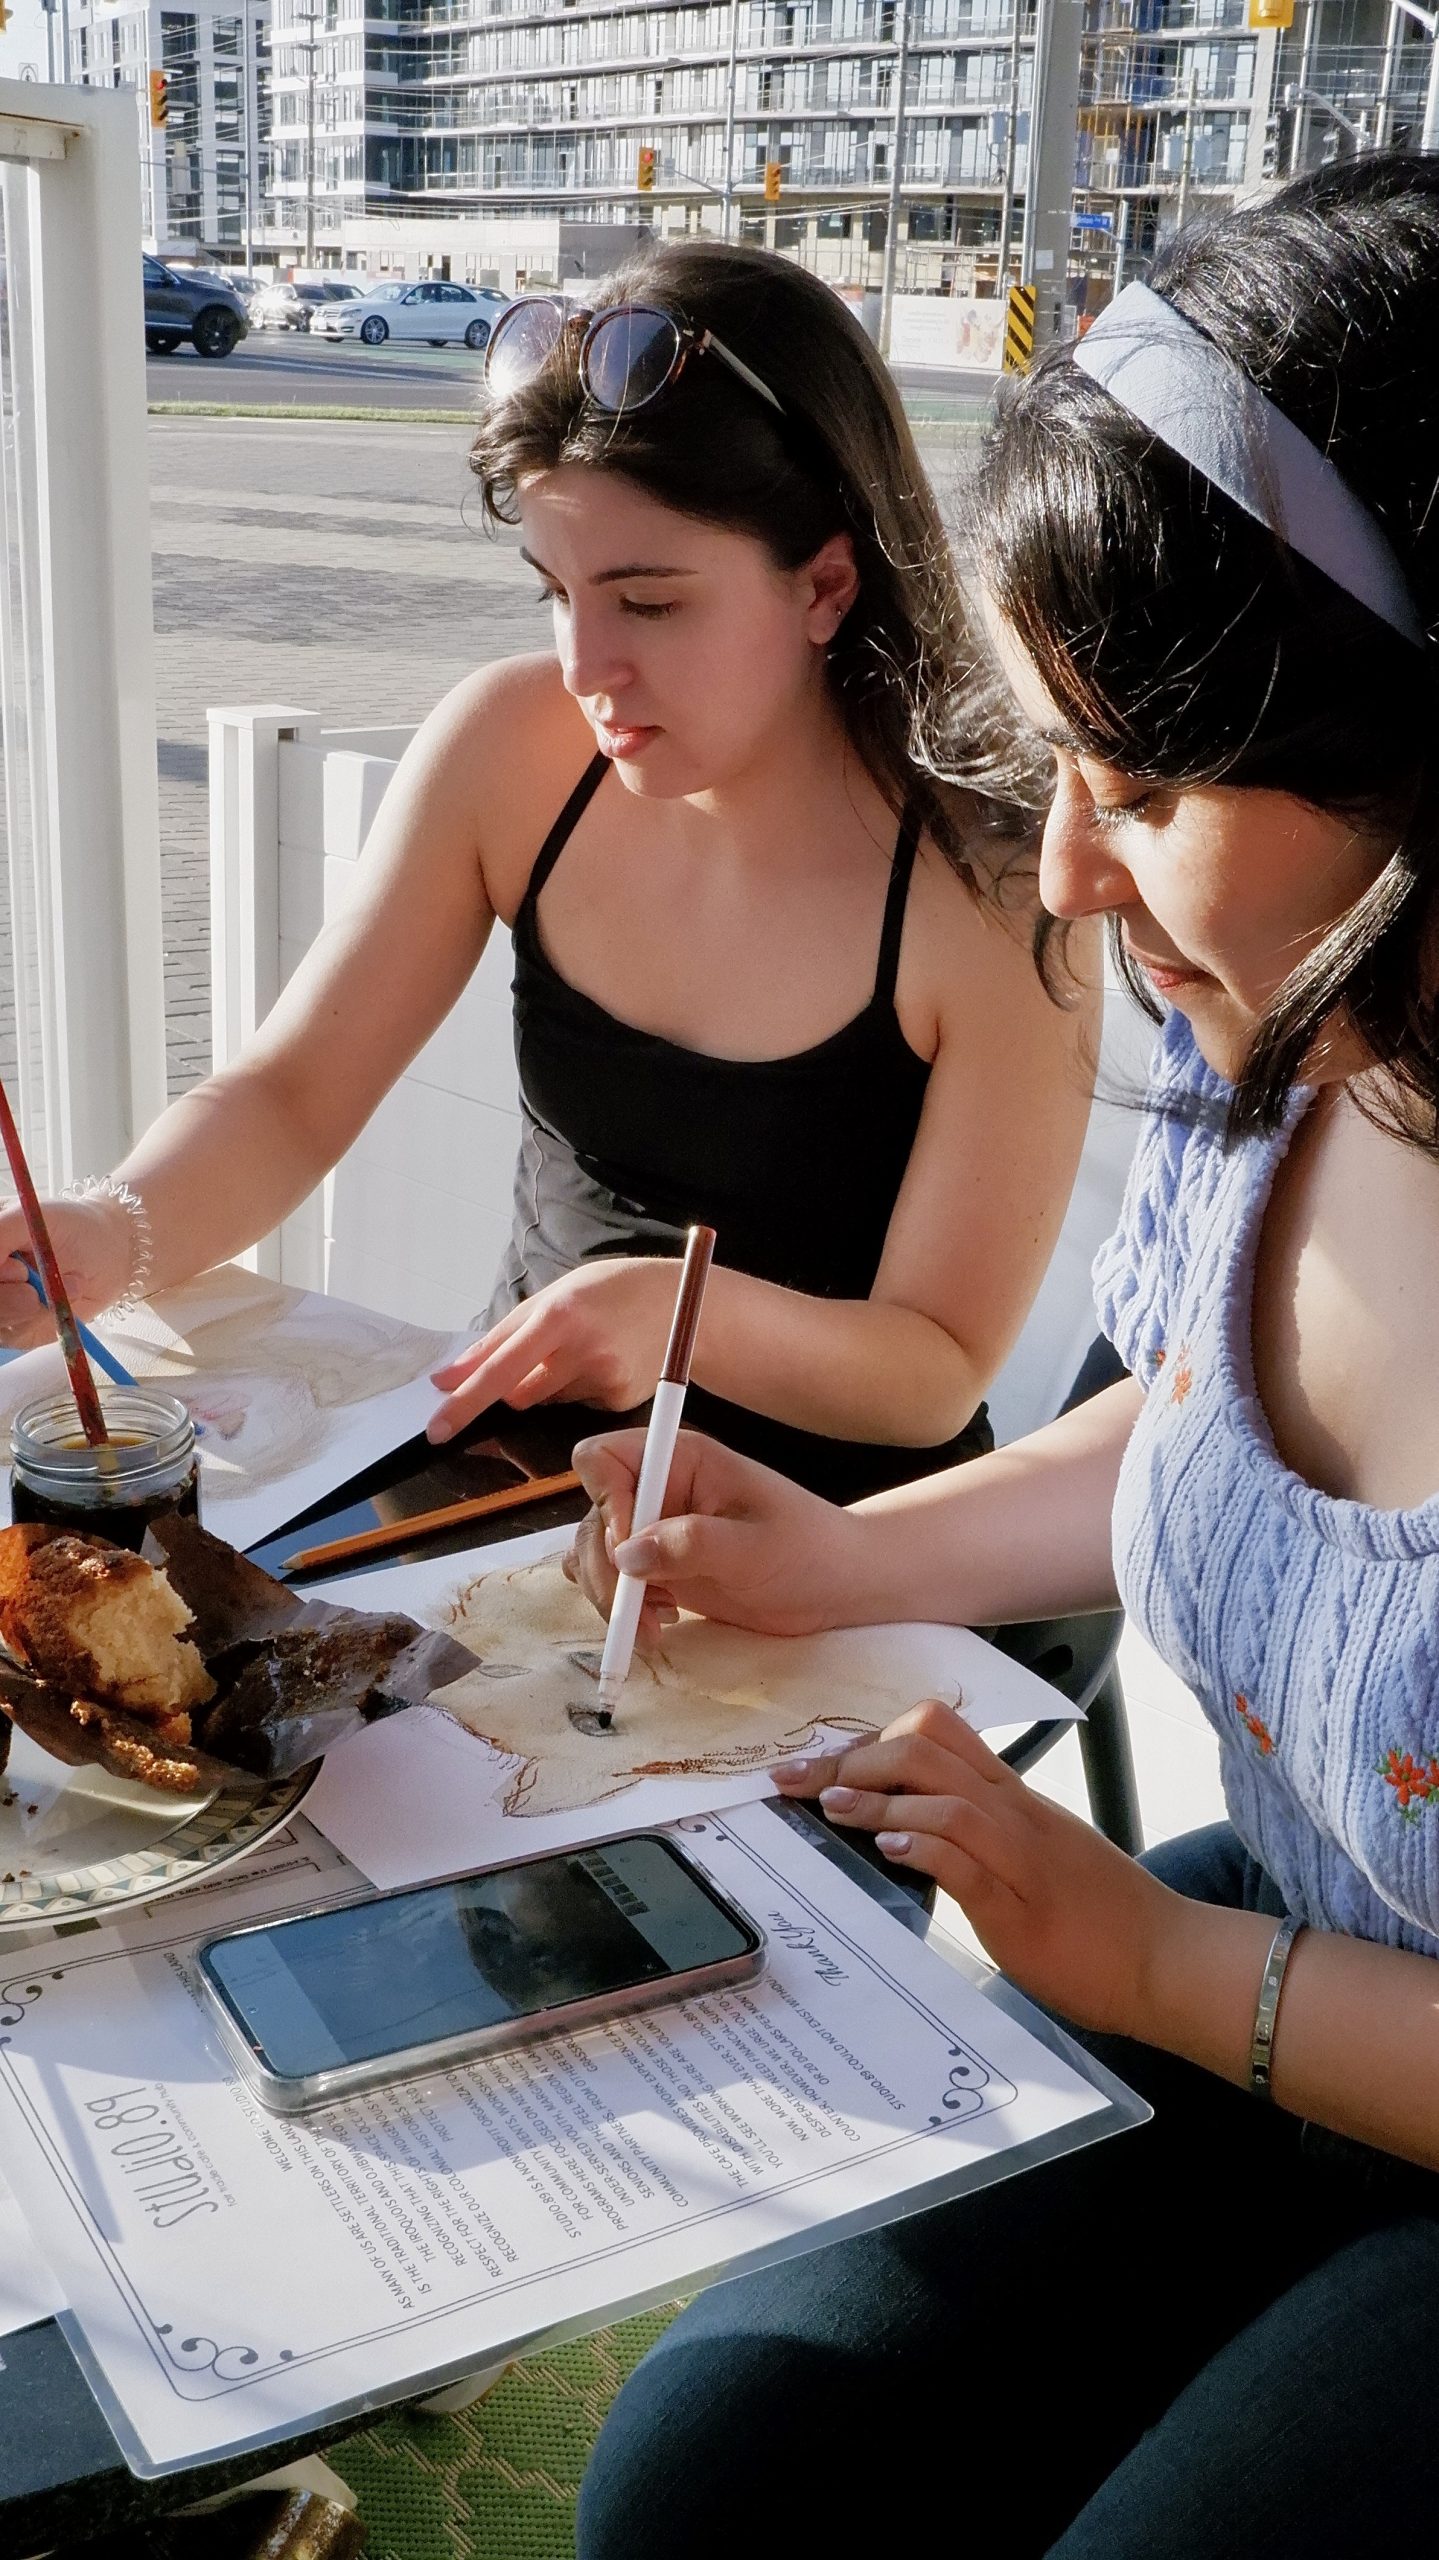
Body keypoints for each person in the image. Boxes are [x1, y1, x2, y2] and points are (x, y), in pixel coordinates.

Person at [566, 157, 1439, 2558]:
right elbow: (1204, 1422)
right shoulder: (1296, 1058)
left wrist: (1153, 1952)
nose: (1060, 872)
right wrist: (839, 1556)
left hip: (1276, 1987)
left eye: (1137, 786)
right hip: (1259, 1940)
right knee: (702, 2473)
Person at [0, 244, 1095, 1503]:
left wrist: (676, 1316)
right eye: (556, 592)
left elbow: (933, 1369)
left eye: (648, 603)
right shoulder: (511, 752)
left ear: (825, 584)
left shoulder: (996, 885)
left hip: (838, 1535)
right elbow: (293, 1095)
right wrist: (113, 1233)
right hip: (511, 1478)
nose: (584, 666)